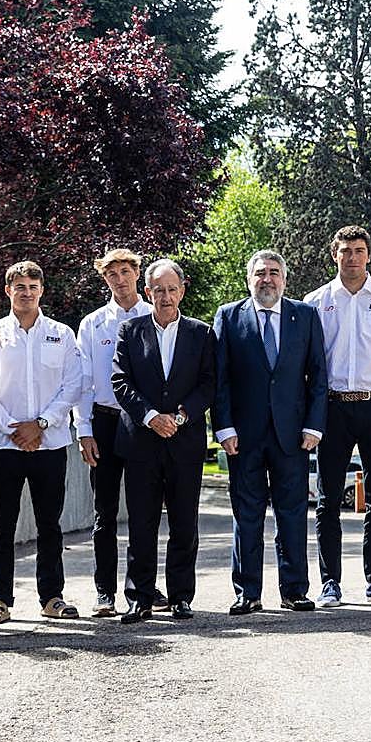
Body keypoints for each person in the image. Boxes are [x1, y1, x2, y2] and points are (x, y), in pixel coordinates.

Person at [213, 250, 327, 615]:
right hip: (243, 436)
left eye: (274, 273)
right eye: (260, 273)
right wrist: (224, 426)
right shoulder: (229, 317)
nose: (267, 279)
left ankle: (294, 590)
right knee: (246, 515)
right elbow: (220, 379)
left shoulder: (305, 315)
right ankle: (248, 592)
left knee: (292, 514)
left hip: (293, 434)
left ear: (284, 279)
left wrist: (314, 425)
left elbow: (318, 376)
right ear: (249, 279)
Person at [303, 225, 371, 607]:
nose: (352, 257)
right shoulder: (315, 301)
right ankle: (330, 583)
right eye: (345, 251)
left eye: (359, 250)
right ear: (335, 255)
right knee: (328, 499)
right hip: (331, 408)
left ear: (368, 255)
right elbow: (310, 358)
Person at [111, 259, 216, 623]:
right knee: (141, 523)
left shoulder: (202, 333)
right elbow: (120, 381)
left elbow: (209, 383)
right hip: (142, 442)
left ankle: (180, 597)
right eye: (159, 290)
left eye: (172, 289)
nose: (166, 296)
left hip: (184, 442)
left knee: (185, 522)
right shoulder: (130, 330)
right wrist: (151, 417)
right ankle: (139, 597)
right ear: (147, 292)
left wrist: (183, 416)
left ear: (182, 290)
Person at [0, 261, 84, 622]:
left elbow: (73, 384)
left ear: (42, 290)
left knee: (49, 525)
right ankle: (0, 600)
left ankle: (51, 597)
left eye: (32, 286)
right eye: (19, 286)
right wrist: (13, 426)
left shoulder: (61, 333)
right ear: (8, 291)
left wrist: (41, 423)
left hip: (50, 443)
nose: (26, 292)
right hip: (5, 443)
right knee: (2, 526)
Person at [73, 249, 165, 618]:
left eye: (126, 271)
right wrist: (84, 430)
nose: (119, 279)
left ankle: (141, 586)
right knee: (104, 513)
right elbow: (82, 382)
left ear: (137, 275)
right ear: (104, 279)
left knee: (144, 510)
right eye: (112, 274)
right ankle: (104, 591)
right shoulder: (93, 323)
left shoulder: (153, 314)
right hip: (105, 422)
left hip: (143, 424)